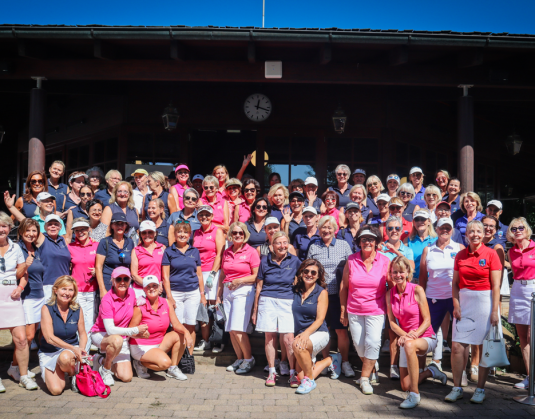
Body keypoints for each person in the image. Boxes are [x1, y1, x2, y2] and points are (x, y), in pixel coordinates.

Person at [445, 220, 502, 404]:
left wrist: (495, 311)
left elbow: (496, 286)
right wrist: (456, 304)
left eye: (479, 231)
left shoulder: (491, 254)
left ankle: (480, 389)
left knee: (484, 348)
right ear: (466, 234)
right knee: (457, 347)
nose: (475, 234)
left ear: (484, 233)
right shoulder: (460, 255)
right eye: (472, 231)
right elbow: (454, 283)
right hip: (464, 301)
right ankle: (457, 388)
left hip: (485, 302)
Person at [386, 256, 447, 409]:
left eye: (401, 272)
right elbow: (392, 323)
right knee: (404, 385)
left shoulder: (417, 289)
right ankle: (430, 371)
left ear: (407, 272)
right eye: (394, 272)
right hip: (407, 339)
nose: (398, 275)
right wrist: (405, 335)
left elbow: (427, 320)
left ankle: (414, 395)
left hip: (426, 336)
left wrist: (412, 335)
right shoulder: (389, 294)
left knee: (409, 345)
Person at [340, 225, 389, 395]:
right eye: (364, 239)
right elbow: (344, 286)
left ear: (376, 242)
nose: (367, 242)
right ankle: (372, 366)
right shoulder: (351, 260)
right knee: (360, 347)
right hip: (354, 309)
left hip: (376, 310)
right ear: (359, 242)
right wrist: (343, 310)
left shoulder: (384, 261)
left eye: (371, 239)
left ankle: (365, 378)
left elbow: (393, 282)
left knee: (373, 343)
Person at [307, 215, 354, 379]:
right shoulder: (314, 246)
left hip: (339, 295)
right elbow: (309, 269)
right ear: (318, 230)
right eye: (323, 227)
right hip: (320, 295)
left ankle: (345, 362)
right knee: (323, 330)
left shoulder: (343, 245)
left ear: (335, 229)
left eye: (329, 227)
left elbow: (351, 268)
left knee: (341, 329)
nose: (326, 230)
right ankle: (326, 360)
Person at [253, 231, 301, 386]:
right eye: (278, 243)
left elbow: (301, 282)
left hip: (287, 301)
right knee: (270, 337)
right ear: (272, 246)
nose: (282, 246)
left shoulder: (295, 261)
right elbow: (259, 286)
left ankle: (292, 373)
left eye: (285, 242)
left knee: (288, 339)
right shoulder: (265, 261)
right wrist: (255, 310)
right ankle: (272, 372)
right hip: (267, 300)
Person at [419, 218, 464, 375]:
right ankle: (421, 369)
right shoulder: (428, 250)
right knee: (427, 335)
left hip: (455, 298)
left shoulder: (460, 248)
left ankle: (461, 372)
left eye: (448, 228)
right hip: (433, 298)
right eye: (442, 227)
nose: (445, 230)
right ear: (436, 229)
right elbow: (423, 277)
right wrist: (421, 299)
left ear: (452, 230)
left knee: (460, 338)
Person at [128, 276, 194, 381]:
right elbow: (130, 331)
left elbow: (176, 324)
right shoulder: (139, 307)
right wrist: (140, 333)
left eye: (154, 285)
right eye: (148, 286)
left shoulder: (166, 302)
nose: (152, 288)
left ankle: (173, 368)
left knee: (180, 334)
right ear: (144, 289)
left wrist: (186, 332)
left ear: (159, 287)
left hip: (159, 342)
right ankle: (140, 362)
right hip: (142, 346)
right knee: (165, 363)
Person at [0, 212, 38, 391]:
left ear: (9, 228)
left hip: (12, 298)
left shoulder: (16, 248)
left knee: (22, 340)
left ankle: (23, 376)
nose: (1, 229)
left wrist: (20, 288)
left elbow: (23, 275)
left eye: (4, 226)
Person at [216, 222, 260, 375]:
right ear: (230, 235)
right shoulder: (227, 251)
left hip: (244, 290)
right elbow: (222, 274)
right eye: (235, 233)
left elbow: (256, 276)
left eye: (241, 233)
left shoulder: (251, 251)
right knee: (231, 330)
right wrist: (218, 296)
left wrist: (239, 281)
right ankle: (239, 358)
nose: (238, 235)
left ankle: (249, 359)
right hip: (228, 292)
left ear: (245, 234)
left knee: (238, 328)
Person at [90, 267, 147, 385]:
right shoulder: (107, 300)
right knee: (117, 340)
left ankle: (100, 360)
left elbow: (135, 302)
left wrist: (142, 300)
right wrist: (135, 330)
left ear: (130, 280)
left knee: (126, 377)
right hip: (101, 333)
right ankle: (105, 370)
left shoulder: (131, 292)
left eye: (125, 279)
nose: (122, 282)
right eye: (118, 279)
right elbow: (110, 329)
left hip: (121, 335)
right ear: (112, 281)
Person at [291, 259, 337, 394]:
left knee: (298, 345)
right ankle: (330, 360)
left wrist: (306, 334)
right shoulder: (295, 290)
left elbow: (320, 319)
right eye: (306, 271)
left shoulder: (321, 292)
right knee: (299, 377)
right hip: (300, 334)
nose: (309, 274)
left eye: (313, 272)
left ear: (318, 276)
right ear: (301, 273)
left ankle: (310, 381)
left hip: (318, 333)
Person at [38, 275, 87, 395]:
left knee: (65, 358)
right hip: (50, 352)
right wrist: (74, 349)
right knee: (56, 390)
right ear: (56, 290)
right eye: (63, 289)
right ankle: (62, 369)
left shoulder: (77, 309)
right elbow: (49, 338)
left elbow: (83, 333)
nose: (67, 293)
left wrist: (81, 349)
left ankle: (72, 374)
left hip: (68, 353)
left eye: (71, 290)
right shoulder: (46, 308)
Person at [163, 221, 205, 353]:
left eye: (185, 232)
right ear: (175, 234)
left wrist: (202, 294)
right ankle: (177, 356)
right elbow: (165, 276)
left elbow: (199, 275)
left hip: (192, 292)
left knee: (191, 325)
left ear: (189, 234)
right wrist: (169, 296)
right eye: (179, 232)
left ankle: (189, 357)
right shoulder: (169, 251)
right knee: (176, 326)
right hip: (175, 293)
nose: (182, 234)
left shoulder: (195, 251)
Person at [10, 219, 44, 374]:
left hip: (40, 296)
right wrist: (25, 265)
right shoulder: (17, 249)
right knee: (28, 337)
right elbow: (14, 275)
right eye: (28, 231)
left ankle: (16, 367)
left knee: (33, 336)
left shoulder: (38, 249)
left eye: (34, 231)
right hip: (27, 297)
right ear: (21, 232)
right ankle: (15, 366)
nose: (31, 234)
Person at [507, 217, 535, 389]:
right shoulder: (511, 252)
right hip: (517, 289)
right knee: (523, 337)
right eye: (514, 229)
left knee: (533, 337)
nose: (517, 231)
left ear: (527, 229)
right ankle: (530, 377)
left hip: (533, 288)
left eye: (520, 228)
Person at [193, 205, 225, 351]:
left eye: (207, 215)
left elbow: (219, 254)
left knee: (214, 307)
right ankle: (205, 340)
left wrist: (213, 273)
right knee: (203, 307)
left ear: (212, 216)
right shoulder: (195, 232)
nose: (204, 217)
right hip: (198, 273)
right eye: (201, 215)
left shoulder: (217, 231)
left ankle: (218, 340)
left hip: (212, 272)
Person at [68, 218, 99, 342]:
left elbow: (103, 265)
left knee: (91, 320)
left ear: (89, 229)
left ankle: (85, 350)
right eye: (77, 230)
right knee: (78, 320)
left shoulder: (97, 245)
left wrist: (98, 271)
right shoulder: (70, 247)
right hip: (77, 290)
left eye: (83, 229)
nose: (80, 232)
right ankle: (80, 350)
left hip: (93, 290)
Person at [95, 213, 135, 295]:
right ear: (112, 226)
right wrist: (102, 289)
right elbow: (98, 266)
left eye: (122, 224)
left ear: (126, 226)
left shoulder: (130, 242)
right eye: (116, 224)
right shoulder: (104, 242)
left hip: (125, 283)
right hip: (109, 283)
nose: (120, 226)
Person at [39, 214, 72, 303]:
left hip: (65, 284)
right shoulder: (41, 238)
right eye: (50, 224)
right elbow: (26, 223)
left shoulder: (64, 240)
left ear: (60, 227)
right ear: (45, 227)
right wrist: (10, 207)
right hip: (48, 284)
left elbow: (70, 227)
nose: (53, 226)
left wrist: (70, 212)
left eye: (56, 224)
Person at [131, 220, 166, 297]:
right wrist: (149, 286)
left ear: (155, 233)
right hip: (140, 290)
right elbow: (134, 275)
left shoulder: (162, 248)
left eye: (150, 232)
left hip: (158, 289)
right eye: (144, 232)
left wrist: (160, 285)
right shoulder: (136, 250)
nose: (147, 235)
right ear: (140, 234)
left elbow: (166, 272)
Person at [404, 209, 437, 283]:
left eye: (423, 219)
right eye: (417, 219)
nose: (420, 222)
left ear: (429, 221)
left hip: (432, 281)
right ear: (414, 222)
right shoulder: (407, 241)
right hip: (413, 281)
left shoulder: (437, 240)